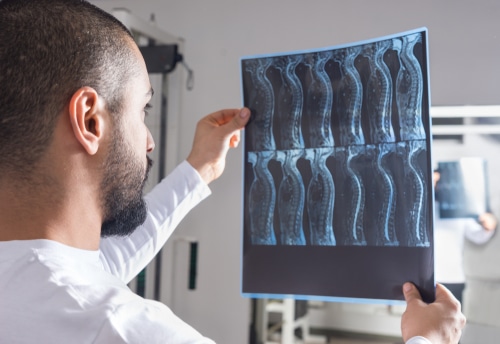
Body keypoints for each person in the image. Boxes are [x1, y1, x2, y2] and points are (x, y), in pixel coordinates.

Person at [0, 0, 465, 343]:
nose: (149, 141)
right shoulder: (123, 330)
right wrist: (431, 340)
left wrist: (197, 170)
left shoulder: (28, 278)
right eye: (142, 109)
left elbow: (101, 264)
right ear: (90, 121)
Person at [433, 171, 497, 304]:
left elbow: (478, 236)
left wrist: (488, 227)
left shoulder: (459, 210)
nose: (437, 186)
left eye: (439, 182)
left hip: (452, 276)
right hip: (426, 279)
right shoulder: (420, 208)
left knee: (454, 322)